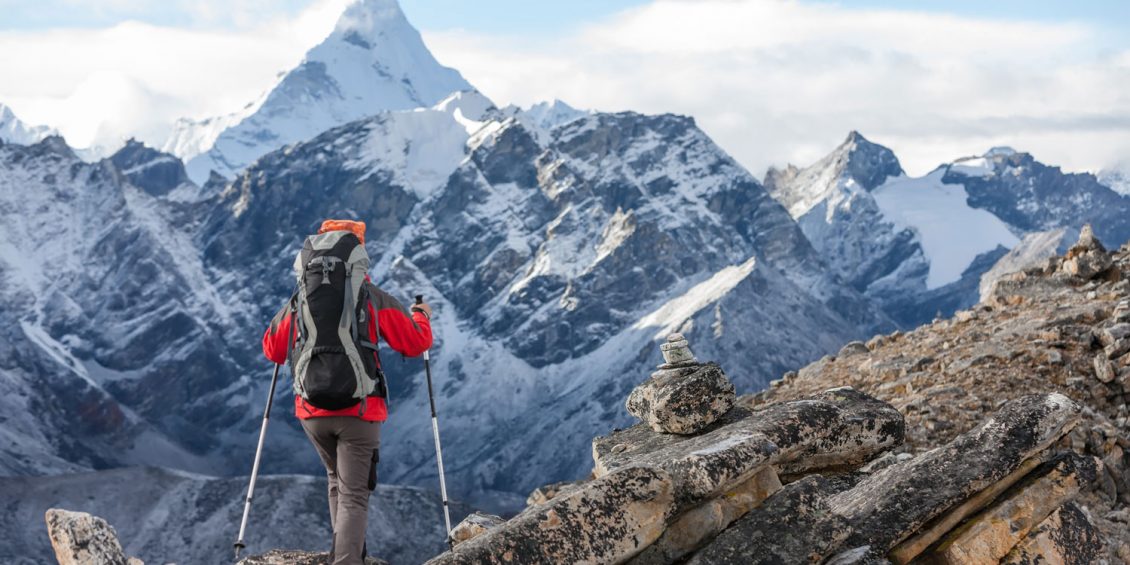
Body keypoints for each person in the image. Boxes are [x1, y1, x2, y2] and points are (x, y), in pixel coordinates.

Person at [262, 219, 433, 565]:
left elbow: (272, 349)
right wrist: (422, 316)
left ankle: (347, 554)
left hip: (311, 411)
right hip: (359, 410)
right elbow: (416, 343)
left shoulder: (301, 299)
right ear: (358, 255)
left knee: (336, 482)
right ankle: (347, 560)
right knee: (354, 494)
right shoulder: (371, 297)